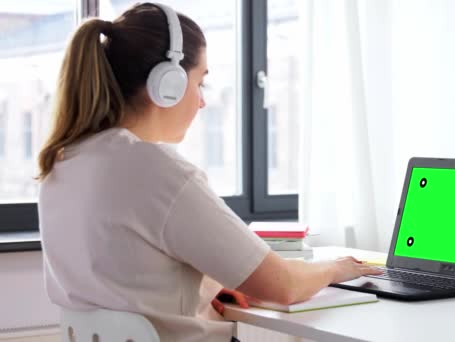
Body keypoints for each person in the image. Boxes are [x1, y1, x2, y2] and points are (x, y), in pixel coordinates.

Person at [37, 3, 382, 341]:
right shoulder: (155, 169)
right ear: (166, 82)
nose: (202, 101)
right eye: (199, 82)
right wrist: (338, 268)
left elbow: (128, 283)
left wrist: (204, 290)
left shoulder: (62, 164)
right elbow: (284, 288)